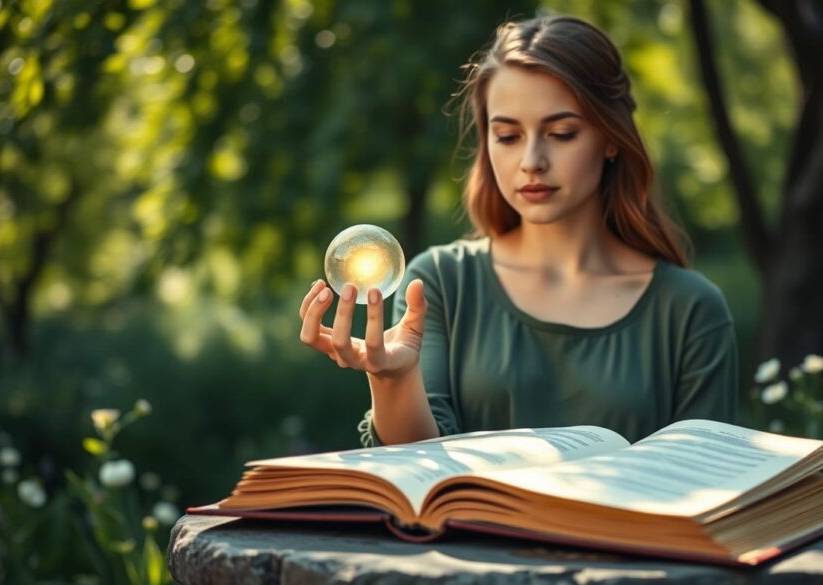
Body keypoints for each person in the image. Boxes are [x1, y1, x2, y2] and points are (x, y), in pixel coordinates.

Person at [298, 14, 738, 448]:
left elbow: (708, 485)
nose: (532, 161)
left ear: (610, 138)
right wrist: (393, 377)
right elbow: (419, 472)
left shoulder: (691, 310)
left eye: (562, 133)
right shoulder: (439, 283)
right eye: (507, 136)